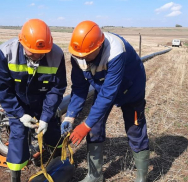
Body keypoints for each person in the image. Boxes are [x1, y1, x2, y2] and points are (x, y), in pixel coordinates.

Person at [61, 20, 149, 182]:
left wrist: (85, 125)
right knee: (95, 126)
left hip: (131, 88)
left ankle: (142, 178)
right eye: (79, 56)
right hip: (104, 88)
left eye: (87, 55)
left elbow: (109, 93)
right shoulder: (79, 54)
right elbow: (80, 88)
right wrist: (70, 116)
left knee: (135, 129)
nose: (83, 59)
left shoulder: (115, 51)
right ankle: (95, 176)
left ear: (98, 47)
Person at [0, 19, 67, 182]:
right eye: (32, 52)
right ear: (21, 42)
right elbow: (3, 89)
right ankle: (16, 178)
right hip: (17, 104)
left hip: (43, 103)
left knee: (53, 134)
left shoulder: (56, 55)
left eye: (42, 53)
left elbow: (56, 88)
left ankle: (57, 166)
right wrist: (19, 114)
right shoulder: (5, 52)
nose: (38, 56)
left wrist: (46, 117)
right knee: (18, 140)